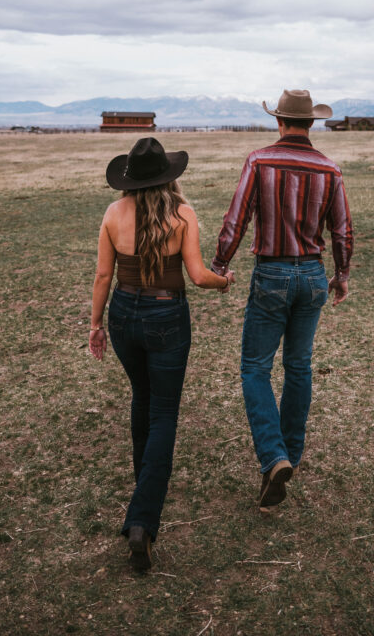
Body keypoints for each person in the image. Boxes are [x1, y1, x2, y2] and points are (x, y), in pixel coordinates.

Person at [89, 136, 234, 572]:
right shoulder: (182, 213)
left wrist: (96, 325)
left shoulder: (114, 213)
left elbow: (102, 275)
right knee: (164, 413)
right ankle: (143, 520)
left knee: (142, 397)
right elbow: (197, 276)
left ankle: (143, 486)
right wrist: (225, 282)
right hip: (167, 315)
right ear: (169, 176)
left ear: (129, 179)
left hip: (123, 314)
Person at [210, 89, 353, 509]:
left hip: (271, 271)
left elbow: (236, 219)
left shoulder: (259, 160)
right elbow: (342, 229)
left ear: (279, 121)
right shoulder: (330, 169)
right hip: (311, 274)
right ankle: (289, 453)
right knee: (299, 367)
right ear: (311, 123)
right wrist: (341, 274)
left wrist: (219, 264)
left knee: (255, 368)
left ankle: (274, 457)